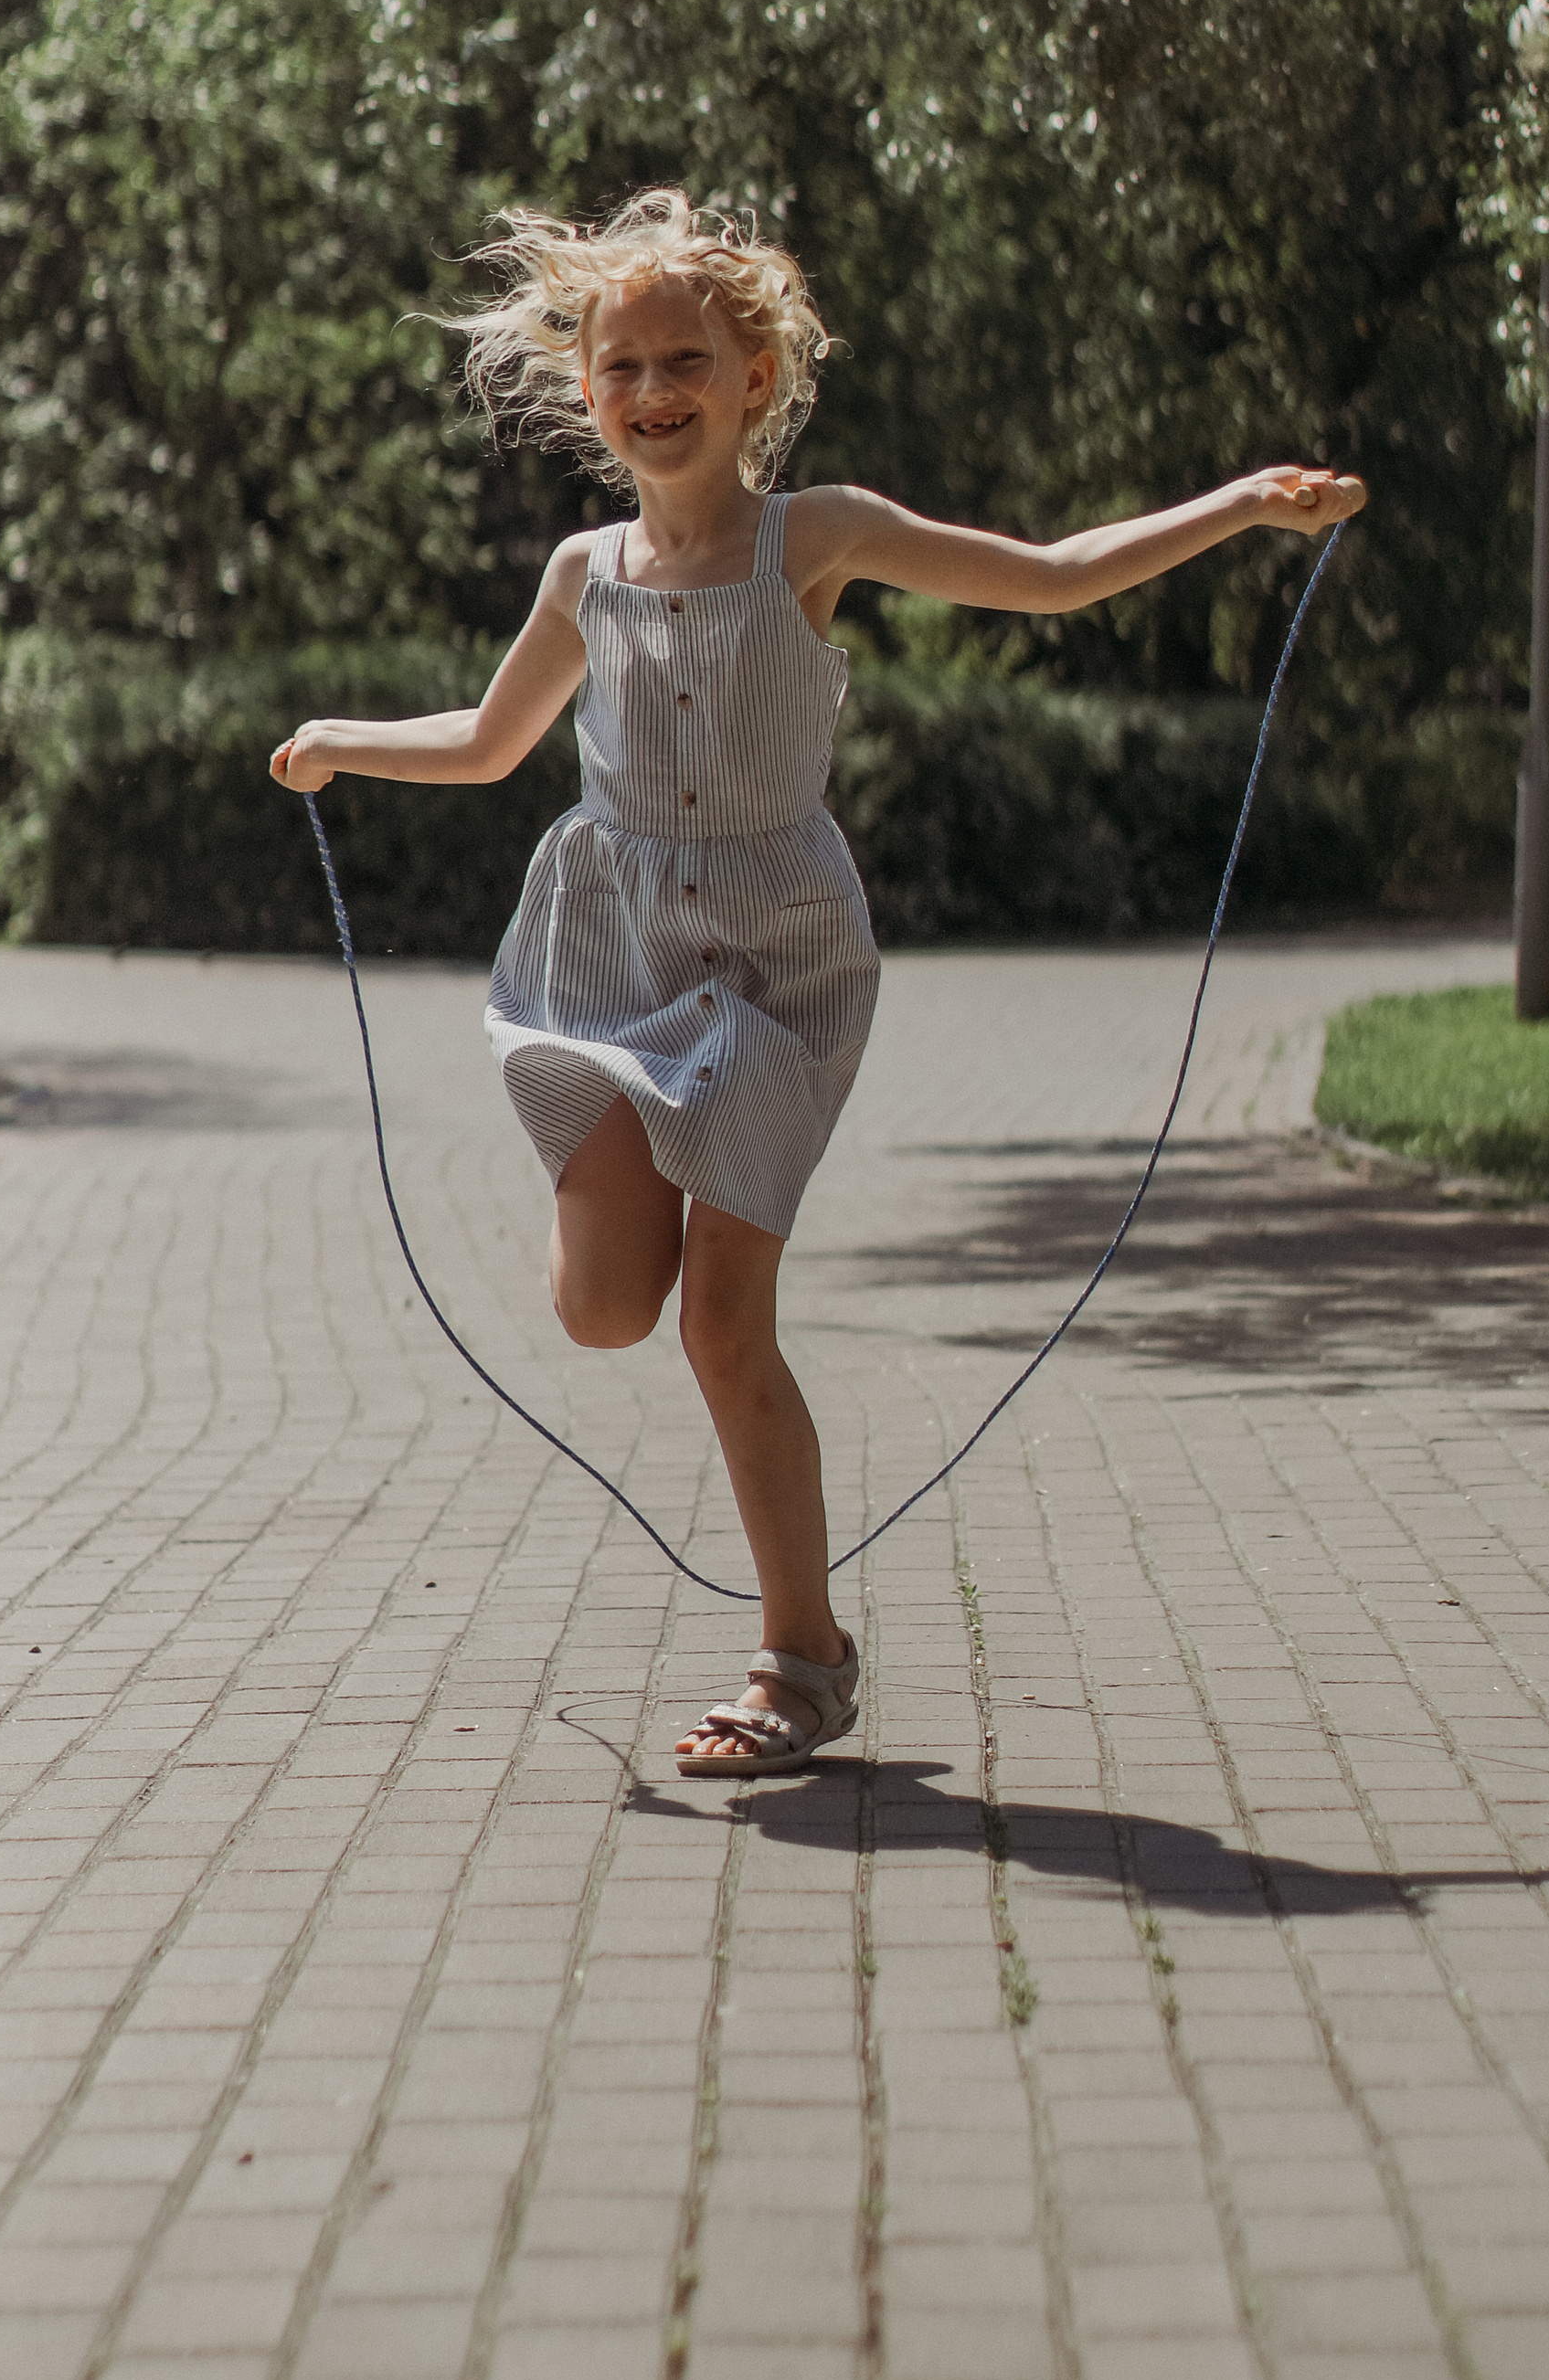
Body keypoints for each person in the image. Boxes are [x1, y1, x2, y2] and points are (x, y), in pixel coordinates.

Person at [271, 189, 1364, 1777]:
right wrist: (345, 746)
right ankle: (661, 1247)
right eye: (623, 363)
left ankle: (802, 1656)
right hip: (615, 950)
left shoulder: (815, 535)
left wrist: (1243, 508)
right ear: (590, 392)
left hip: (778, 965)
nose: (653, 389)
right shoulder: (586, 570)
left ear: (755, 373)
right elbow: (495, 742)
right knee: (598, 1312)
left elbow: (1049, 577)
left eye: (685, 360)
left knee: (724, 1328)